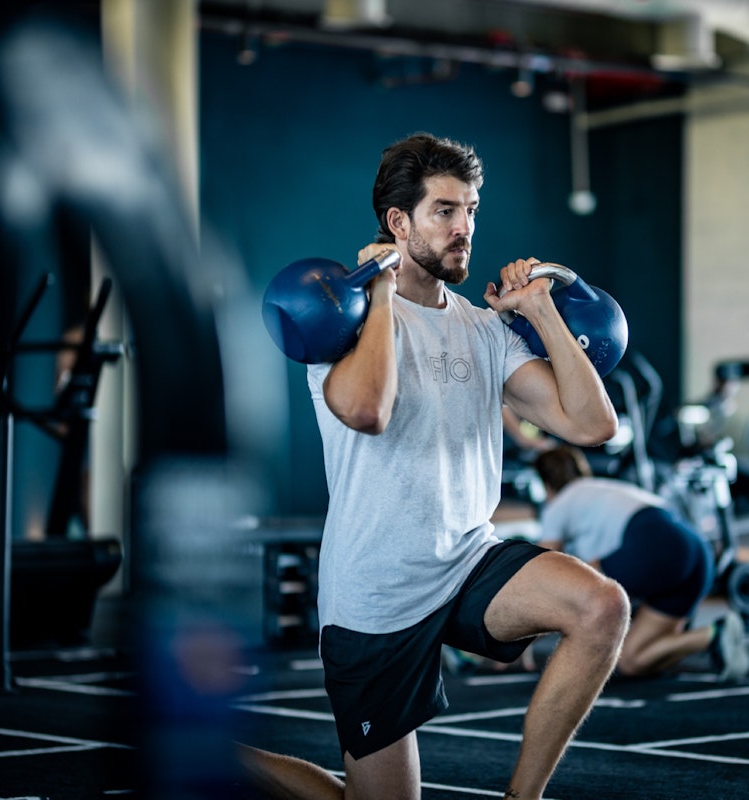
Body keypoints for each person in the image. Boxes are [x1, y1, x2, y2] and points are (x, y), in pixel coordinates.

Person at [239, 132, 630, 800]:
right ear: (399, 223)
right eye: (446, 211)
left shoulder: (484, 329)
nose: (465, 228)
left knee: (601, 607)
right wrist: (385, 295)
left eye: (472, 210)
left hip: (465, 559)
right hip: (375, 593)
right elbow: (368, 410)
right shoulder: (341, 322)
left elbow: (594, 425)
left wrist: (539, 309)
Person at [532, 444, 749, 681]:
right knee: (632, 661)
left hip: (655, 544)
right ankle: (715, 634)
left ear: (545, 484)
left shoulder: (560, 503)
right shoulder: (605, 488)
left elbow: (543, 578)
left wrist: (513, 639)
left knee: (582, 588)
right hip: (697, 551)